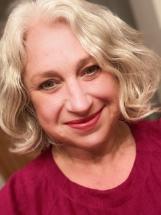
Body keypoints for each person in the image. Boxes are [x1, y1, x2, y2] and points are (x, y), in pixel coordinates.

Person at [0, 0, 161, 214]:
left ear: (118, 69)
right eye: (49, 84)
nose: (80, 104)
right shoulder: (16, 203)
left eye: (90, 70)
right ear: (26, 101)